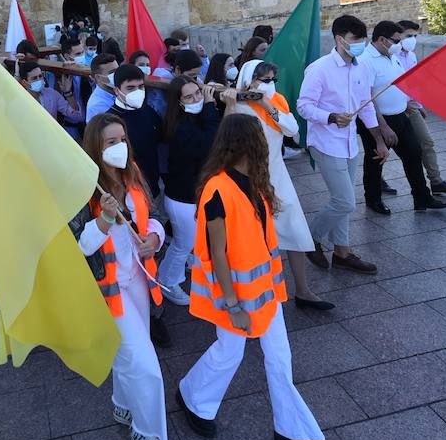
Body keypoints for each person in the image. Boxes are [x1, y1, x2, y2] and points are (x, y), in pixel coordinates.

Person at [175, 114, 331, 440]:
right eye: (258, 138)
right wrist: (233, 306)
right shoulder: (218, 189)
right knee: (230, 351)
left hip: (264, 293)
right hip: (234, 296)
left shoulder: (255, 182)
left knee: (279, 357)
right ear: (246, 144)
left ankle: (293, 429)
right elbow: (218, 254)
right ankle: (192, 397)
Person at [71, 113, 175, 440]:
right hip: (108, 291)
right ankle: (149, 435)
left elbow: (154, 217)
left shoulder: (133, 172)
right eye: (109, 143)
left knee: (131, 354)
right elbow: (80, 246)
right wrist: (102, 222)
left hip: (139, 283)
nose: (119, 148)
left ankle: (121, 404)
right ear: (95, 148)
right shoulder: (83, 186)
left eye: (122, 140)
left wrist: (154, 238)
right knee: (145, 366)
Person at [228, 60, 333, 308]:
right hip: (248, 181)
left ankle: (303, 291)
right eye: (265, 80)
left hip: (278, 176)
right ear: (249, 79)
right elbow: (227, 137)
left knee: (296, 232)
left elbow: (291, 129)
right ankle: (249, 295)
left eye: (273, 79)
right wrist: (233, 103)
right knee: (253, 241)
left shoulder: (276, 101)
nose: (270, 85)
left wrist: (264, 101)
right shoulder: (238, 106)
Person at [297, 14, 390, 275]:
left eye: (363, 38)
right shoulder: (319, 69)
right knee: (345, 202)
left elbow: (367, 107)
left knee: (344, 201)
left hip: (350, 144)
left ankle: (342, 252)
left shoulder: (362, 67)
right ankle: (310, 240)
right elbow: (303, 106)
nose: (360, 43)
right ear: (339, 39)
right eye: (355, 39)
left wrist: (379, 141)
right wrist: (330, 117)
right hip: (326, 143)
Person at [359, 22, 446, 216]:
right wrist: (382, 127)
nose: (400, 44)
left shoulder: (392, 56)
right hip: (379, 121)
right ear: (382, 39)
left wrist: (407, 103)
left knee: (413, 153)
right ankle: (373, 200)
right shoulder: (365, 60)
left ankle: (422, 197)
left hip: (400, 115)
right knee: (376, 160)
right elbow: (366, 97)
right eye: (396, 40)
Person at [160, 75, 219, 304]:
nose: (196, 99)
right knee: (182, 244)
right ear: (179, 102)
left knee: (187, 242)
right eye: (189, 96)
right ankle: (168, 281)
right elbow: (209, 142)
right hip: (182, 198)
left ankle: (176, 272)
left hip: (190, 194)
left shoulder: (190, 120)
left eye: (197, 93)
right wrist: (210, 107)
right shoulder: (181, 127)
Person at [396, 20, 446, 195]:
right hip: (393, 109)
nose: (412, 40)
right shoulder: (391, 56)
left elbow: (412, 83)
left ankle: (436, 181)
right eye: (409, 36)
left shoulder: (410, 55)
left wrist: (418, 105)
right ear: (398, 36)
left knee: (426, 142)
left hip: (411, 109)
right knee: (384, 148)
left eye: (415, 36)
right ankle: (377, 182)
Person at [107, 62, 163, 197]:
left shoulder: (147, 110)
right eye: (130, 88)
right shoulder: (109, 121)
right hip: (130, 192)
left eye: (141, 87)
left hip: (152, 185)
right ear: (117, 90)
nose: (137, 92)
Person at [18, 60, 83, 134]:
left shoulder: (52, 94)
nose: (39, 80)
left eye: (40, 76)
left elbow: (76, 117)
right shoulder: (19, 102)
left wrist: (68, 93)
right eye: (34, 78)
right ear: (24, 83)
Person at [85, 53, 119, 121]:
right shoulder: (97, 106)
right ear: (98, 77)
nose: (118, 74)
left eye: (118, 70)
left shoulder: (119, 90)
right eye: (112, 72)